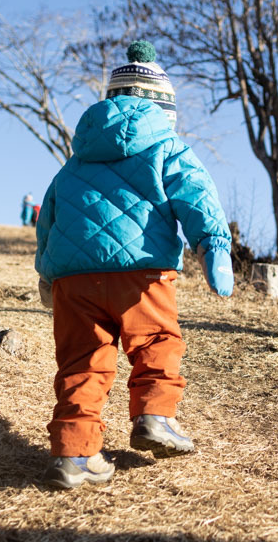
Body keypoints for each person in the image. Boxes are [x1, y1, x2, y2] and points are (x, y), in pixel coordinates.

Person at [34, 39, 234, 490]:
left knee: (81, 363)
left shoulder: (77, 159)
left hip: (74, 280)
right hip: (141, 272)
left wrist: (46, 271)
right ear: (166, 110)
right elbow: (197, 194)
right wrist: (213, 246)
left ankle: (76, 454)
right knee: (157, 342)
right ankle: (155, 417)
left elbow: (50, 214)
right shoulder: (168, 145)